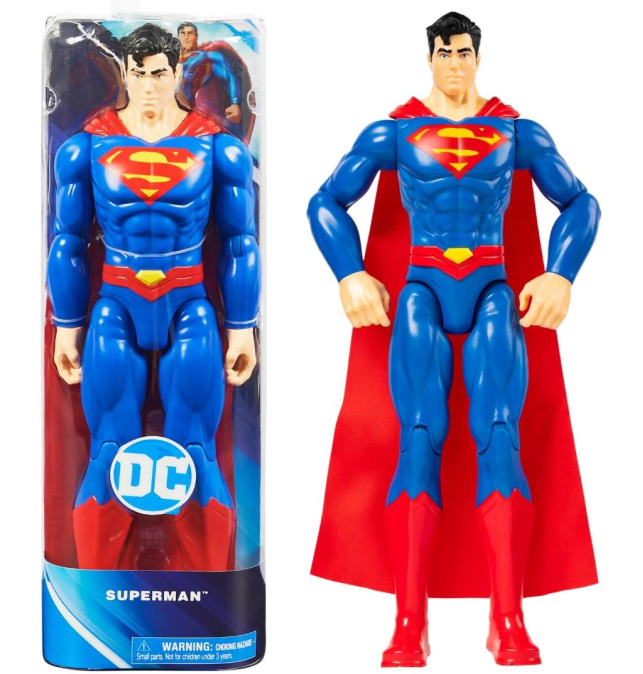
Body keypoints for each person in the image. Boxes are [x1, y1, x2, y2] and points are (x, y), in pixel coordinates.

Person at [308, 11, 599, 667]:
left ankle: (507, 617)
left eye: (463, 52)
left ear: (477, 56)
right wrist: (349, 272)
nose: (454, 63)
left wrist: (560, 273)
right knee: (417, 439)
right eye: (444, 52)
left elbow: (581, 202)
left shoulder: (516, 133)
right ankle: (409, 620)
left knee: (500, 438)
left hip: (493, 291)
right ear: (429, 57)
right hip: (422, 292)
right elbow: (325, 201)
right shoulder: (394, 132)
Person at [47, 23, 260, 572]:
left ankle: (212, 593)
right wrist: (68, 325)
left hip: (190, 303)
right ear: (124, 72)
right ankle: (93, 594)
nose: (148, 84)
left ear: (177, 71)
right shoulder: (85, 148)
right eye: (138, 73)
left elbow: (240, 241)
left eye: (159, 73)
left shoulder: (218, 149)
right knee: (108, 449)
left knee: (196, 449)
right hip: (115, 305)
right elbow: (67, 241)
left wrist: (242, 328)